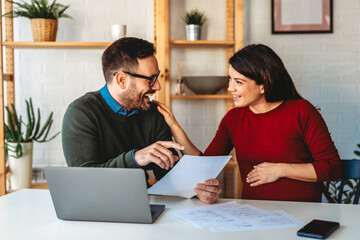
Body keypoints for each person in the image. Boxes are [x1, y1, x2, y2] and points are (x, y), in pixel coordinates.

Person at [155, 44, 342, 202]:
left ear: (263, 85)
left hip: (305, 213)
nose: (230, 88)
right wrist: (173, 125)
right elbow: (205, 164)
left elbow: (332, 168)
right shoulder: (233, 119)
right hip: (254, 214)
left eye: (239, 82)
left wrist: (279, 169)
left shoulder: (302, 111)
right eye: (230, 79)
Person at [62, 37, 221, 204]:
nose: (157, 86)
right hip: (92, 210)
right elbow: (84, 181)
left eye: (157, 77)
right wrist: (135, 158)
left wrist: (198, 191)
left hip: (141, 206)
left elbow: (171, 177)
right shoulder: (81, 113)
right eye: (150, 79)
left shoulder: (153, 114)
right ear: (122, 80)